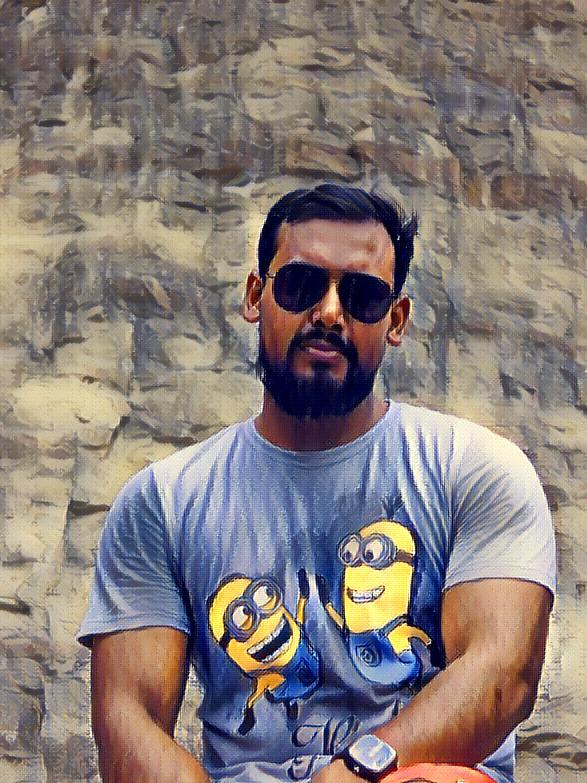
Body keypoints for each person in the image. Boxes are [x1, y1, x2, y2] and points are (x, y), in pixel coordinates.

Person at [78, 184, 555, 783]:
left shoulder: (476, 471)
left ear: (396, 321)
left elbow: (503, 675)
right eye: (301, 286)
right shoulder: (162, 505)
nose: (329, 313)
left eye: (362, 296)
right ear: (255, 296)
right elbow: (128, 724)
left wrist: (355, 771)